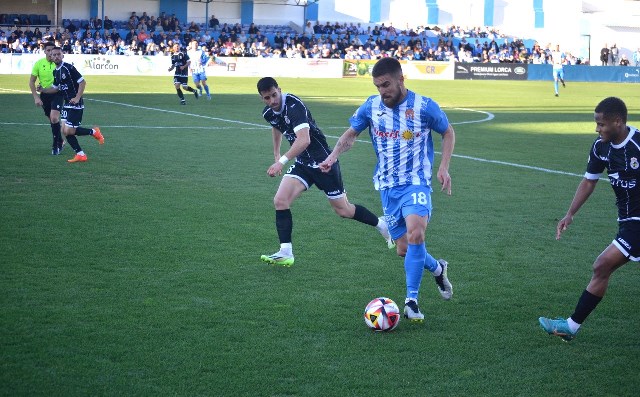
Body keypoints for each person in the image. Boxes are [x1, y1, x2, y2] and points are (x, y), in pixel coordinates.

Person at [318, 57, 455, 322]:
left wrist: (444, 166)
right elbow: (351, 133)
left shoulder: (424, 106)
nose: (382, 91)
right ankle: (438, 269)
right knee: (404, 248)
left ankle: (411, 301)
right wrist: (333, 155)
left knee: (417, 233)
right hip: (387, 185)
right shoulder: (371, 106)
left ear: (401, 79)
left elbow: (447, 132)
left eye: (386, 84)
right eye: (378, 86)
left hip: (416, 182)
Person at [256, 77, 394, 267]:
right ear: (262, 98)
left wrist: (281, 162)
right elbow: (276, 127)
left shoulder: (294, 105)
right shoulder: (268, 112)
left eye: (274, 95)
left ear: (279, 90)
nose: (272, 101)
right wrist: (276, 153)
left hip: (324, 163)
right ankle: (286, 251)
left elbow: (304, 140)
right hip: (303, 164)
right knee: (280, 201)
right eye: (267, 98)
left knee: (343, 210)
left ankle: (382, 225)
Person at [539, 97, 640, 341]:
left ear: (618, 121)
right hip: (626, 221)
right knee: (602, 267)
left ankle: (570, 327)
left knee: (602, 265)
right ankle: (570, 328)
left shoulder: (638, 144)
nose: (597, 129)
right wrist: (570, 213)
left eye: (601, 124)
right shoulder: (600, 147)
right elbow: (589, 181)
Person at [38, 46, 104, 163]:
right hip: (67, 103)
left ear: (62, 55)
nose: (57, 56)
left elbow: (82, 82)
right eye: (54, 55)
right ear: (51, 57)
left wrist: (77, 97)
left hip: (76, 103)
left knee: (69, 131)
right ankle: (80, 154)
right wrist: (43, 90)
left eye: (59, 54)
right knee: (64, 130)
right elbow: (55, 88)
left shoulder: (69, 68)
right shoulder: (55, 71)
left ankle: (94, 132)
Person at [28, 40, 64, 155]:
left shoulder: (59, 64)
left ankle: (55, 146)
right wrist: (36, 97)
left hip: (57, 94)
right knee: (52, 121)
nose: (50, 53)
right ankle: (61, 140)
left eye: (52, 51)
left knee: (54, 118)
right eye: (48, 50)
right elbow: (31, 82)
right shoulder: (39, 64)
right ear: (44, 51)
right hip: (44, 95)